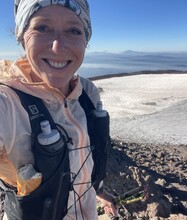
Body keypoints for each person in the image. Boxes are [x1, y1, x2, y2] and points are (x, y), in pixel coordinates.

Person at [0, 0, 118, 219]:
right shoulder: (7, 102)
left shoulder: (86, 93)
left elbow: (86, 157)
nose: (57, 47)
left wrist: (97, 190)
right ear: (22, 35)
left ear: (86, 39)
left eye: (73, 30)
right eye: (42, 28)